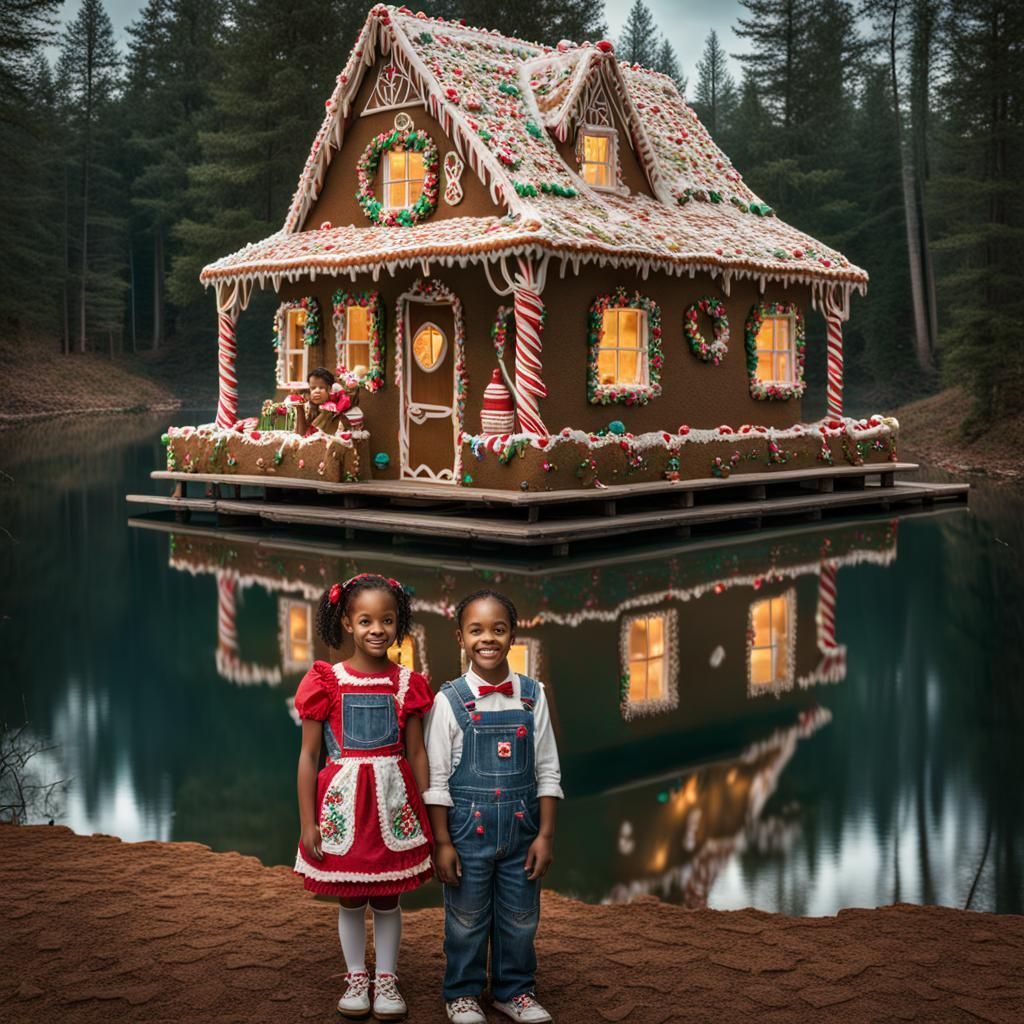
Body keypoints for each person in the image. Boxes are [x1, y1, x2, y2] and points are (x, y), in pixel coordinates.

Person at [294, 573, 433, 1021]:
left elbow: (417, 752)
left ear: (399, 623)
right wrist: (308, 822)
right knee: (351, 897)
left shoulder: (408, 683)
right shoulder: (326, 681)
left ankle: (387, 979)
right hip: (342, 807)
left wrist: (429, 812)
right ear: (347, 623)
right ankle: (357, 976)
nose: (377, 629)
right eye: (366, 621)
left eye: (387, 620)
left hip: (393, 805)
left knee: (388, 898)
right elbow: (309, 756)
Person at [424, 590, 563, 1024]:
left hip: (523, 832)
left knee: (521, 916)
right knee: (466, 917)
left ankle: (514, 990)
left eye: (498, 629)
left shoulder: (532, 695)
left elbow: (548, 770)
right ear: (461, 638)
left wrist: (545, 835)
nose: (488, 639)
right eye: (476, 630)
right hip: (467, 833)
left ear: (513, 635)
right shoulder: (449, 701)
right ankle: (462, 993)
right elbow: (437, 781)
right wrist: (442, 842)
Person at [292, 367, 358, 436]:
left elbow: (311, 436)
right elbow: (300, 435)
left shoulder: (333, 410)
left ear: (330, 389)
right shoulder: (310, 406)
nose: (317, 391)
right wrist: (300, 408)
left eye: (321, 388)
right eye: (313, 388)